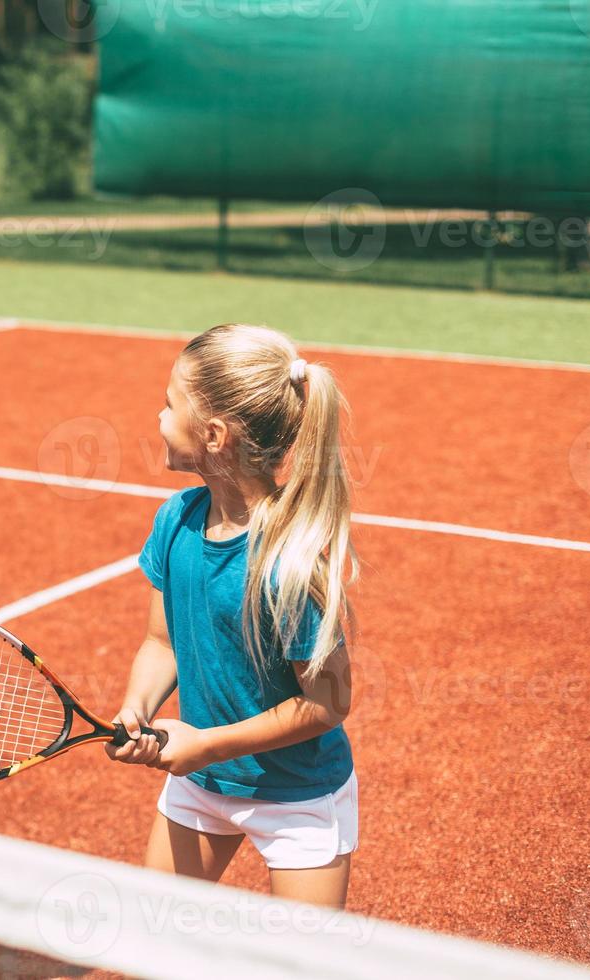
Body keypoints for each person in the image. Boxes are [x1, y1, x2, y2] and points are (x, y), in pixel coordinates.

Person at [106, 323, 359, 908]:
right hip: (202, 780)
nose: (158, 417)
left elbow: (328, 701)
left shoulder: (288, 565)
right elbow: (161, 644)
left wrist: (206, 745)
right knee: (153, 939)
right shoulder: (176, 519)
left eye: (169, 405)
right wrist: (137, 710)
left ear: (213, 434)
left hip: (299, 795)